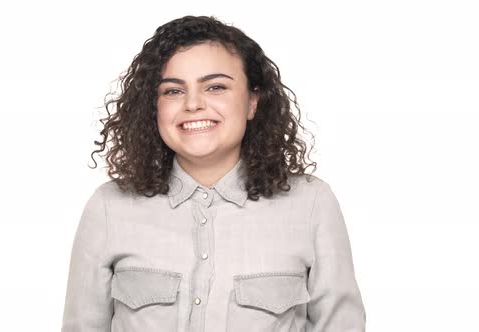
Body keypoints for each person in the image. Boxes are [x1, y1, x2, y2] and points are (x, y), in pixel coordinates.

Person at [61, 15, 366, 332]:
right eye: (173, 91)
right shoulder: (109, 207)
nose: (193, 104)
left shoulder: (311, 204)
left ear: (252, 102)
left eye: (216, 87)